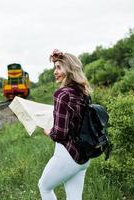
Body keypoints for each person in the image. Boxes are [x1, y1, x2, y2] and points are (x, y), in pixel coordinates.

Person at [38, 49, 92, 200]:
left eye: (59, 67)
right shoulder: (83, 92)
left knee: (44, 186)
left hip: (67, 154)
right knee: (74, 198)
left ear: (69, 69)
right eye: (54, 67)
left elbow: (60, 134)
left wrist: (49, 131)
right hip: (84, 156)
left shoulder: (62, 94)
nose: (55, 72)